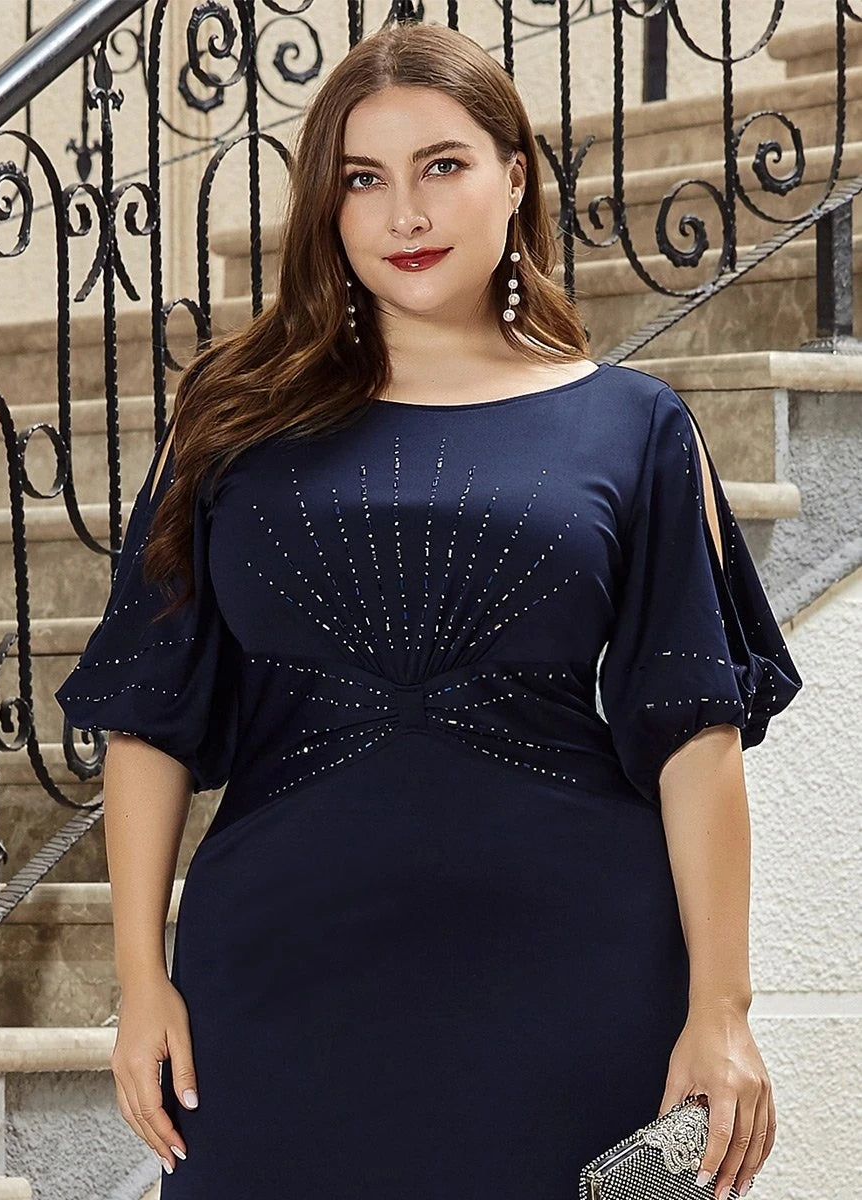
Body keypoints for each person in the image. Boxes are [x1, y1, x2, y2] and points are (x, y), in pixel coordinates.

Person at [54, 20, 802, 1200]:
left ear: (516, 177)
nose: (404, 214)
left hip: (577, 973)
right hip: (276, 975)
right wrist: (139, 980)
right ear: (329, 208)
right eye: (365, 179)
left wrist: (723, 1008)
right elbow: (149, 718)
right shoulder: (229, 419)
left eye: (442, 166)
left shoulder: (636, 426)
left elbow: (694, 737)